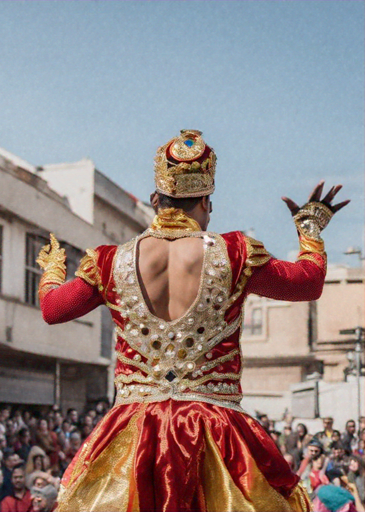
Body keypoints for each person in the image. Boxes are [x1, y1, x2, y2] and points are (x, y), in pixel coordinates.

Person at [36, 129, 350, 511]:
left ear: (156, 200)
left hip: (133, 434)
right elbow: (308, 283)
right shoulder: (234, 253)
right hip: (216, 432)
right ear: (207, 202)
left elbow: (53, 309)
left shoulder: (108, 261)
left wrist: (52, 268)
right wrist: (310, 229)